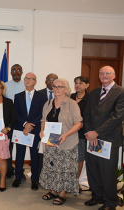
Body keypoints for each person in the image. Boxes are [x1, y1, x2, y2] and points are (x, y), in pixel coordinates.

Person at [84, 66, 124, 210]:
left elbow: (117, 117)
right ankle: (97, 196)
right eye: (101, 73)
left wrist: (97, 132)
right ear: (98, 76)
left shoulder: (120, 92)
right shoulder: (94, 92)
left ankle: (110, 202)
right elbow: (87, 114)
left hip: (108, 139)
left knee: (107, 172)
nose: (104, 75)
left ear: (114, 75)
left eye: (108, 73)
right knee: (93, 169)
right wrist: (89, 132)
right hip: (92, 138)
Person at [39, 79, 82, 205]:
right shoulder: (48, 103)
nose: (56, 89)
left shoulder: (72, 104)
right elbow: (43, 119)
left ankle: (62, 193)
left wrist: (66, 134)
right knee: (52, 167)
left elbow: (78, 123)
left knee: (65, 168)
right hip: (51, 141)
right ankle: (53, 190)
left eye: (60, 87)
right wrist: (42, 130)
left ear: (66, 89)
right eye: (54, 87)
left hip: (67, 141)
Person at [13, 73, 46, 190]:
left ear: (35, 81)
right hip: (21, 130)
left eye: (30, 79)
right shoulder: (18, 96)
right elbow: (16, 113)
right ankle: (17, 177)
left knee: (35, 156)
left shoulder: (41, 97)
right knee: (19, 154)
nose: (27, 80)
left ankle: (34, 180)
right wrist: (24, 124)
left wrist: (31, 125)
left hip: (35, 130)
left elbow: (42, 113)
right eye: (26, 78)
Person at [4, 64, 25, 178]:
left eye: (18, 70)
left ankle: (19, 170)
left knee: (21, 147)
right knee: (8, 147)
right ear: (11, 72)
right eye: (14, 70)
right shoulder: (6, 86)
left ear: (22, 72)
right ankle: (8, 169)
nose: (16, 72)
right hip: (9, 122)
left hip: (22, 121)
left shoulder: (26, 85)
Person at [70, 76, 89, 193]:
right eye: (76, 83)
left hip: (82, 133)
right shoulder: (71, 97)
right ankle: (69, 181)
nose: (78, 85)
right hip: (70, 132)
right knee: (70, 157)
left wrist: (82, 124)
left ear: (87, 85)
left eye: (81, 83)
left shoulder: (91, 98)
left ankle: (76, 182)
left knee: (79, 158)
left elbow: (91, 116)